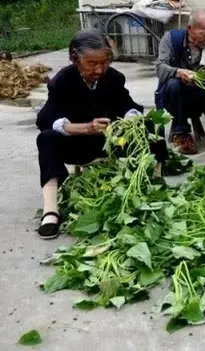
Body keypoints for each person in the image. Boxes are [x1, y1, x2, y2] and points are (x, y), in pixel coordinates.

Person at [36, 29, 169, 239]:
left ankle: (154, 185)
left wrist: (131, 117)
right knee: (46, 139)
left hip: (111, 141)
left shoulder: (113, 78)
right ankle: (51, 211)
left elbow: (128, 105)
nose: (100, 69)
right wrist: (85, 127)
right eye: (92, 63)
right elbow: (45, 118)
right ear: (74, 59)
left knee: (151, 125)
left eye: (105, 62)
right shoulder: (63, 80)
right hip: (77, 145)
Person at [155, 8, 205, 155]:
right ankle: (180, 133)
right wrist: (179, 72)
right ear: (190, 28)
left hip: (201, 95)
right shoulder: (171, 39)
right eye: (204, 34)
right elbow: (160, 68)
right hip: (174, 96)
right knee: (174, 84)